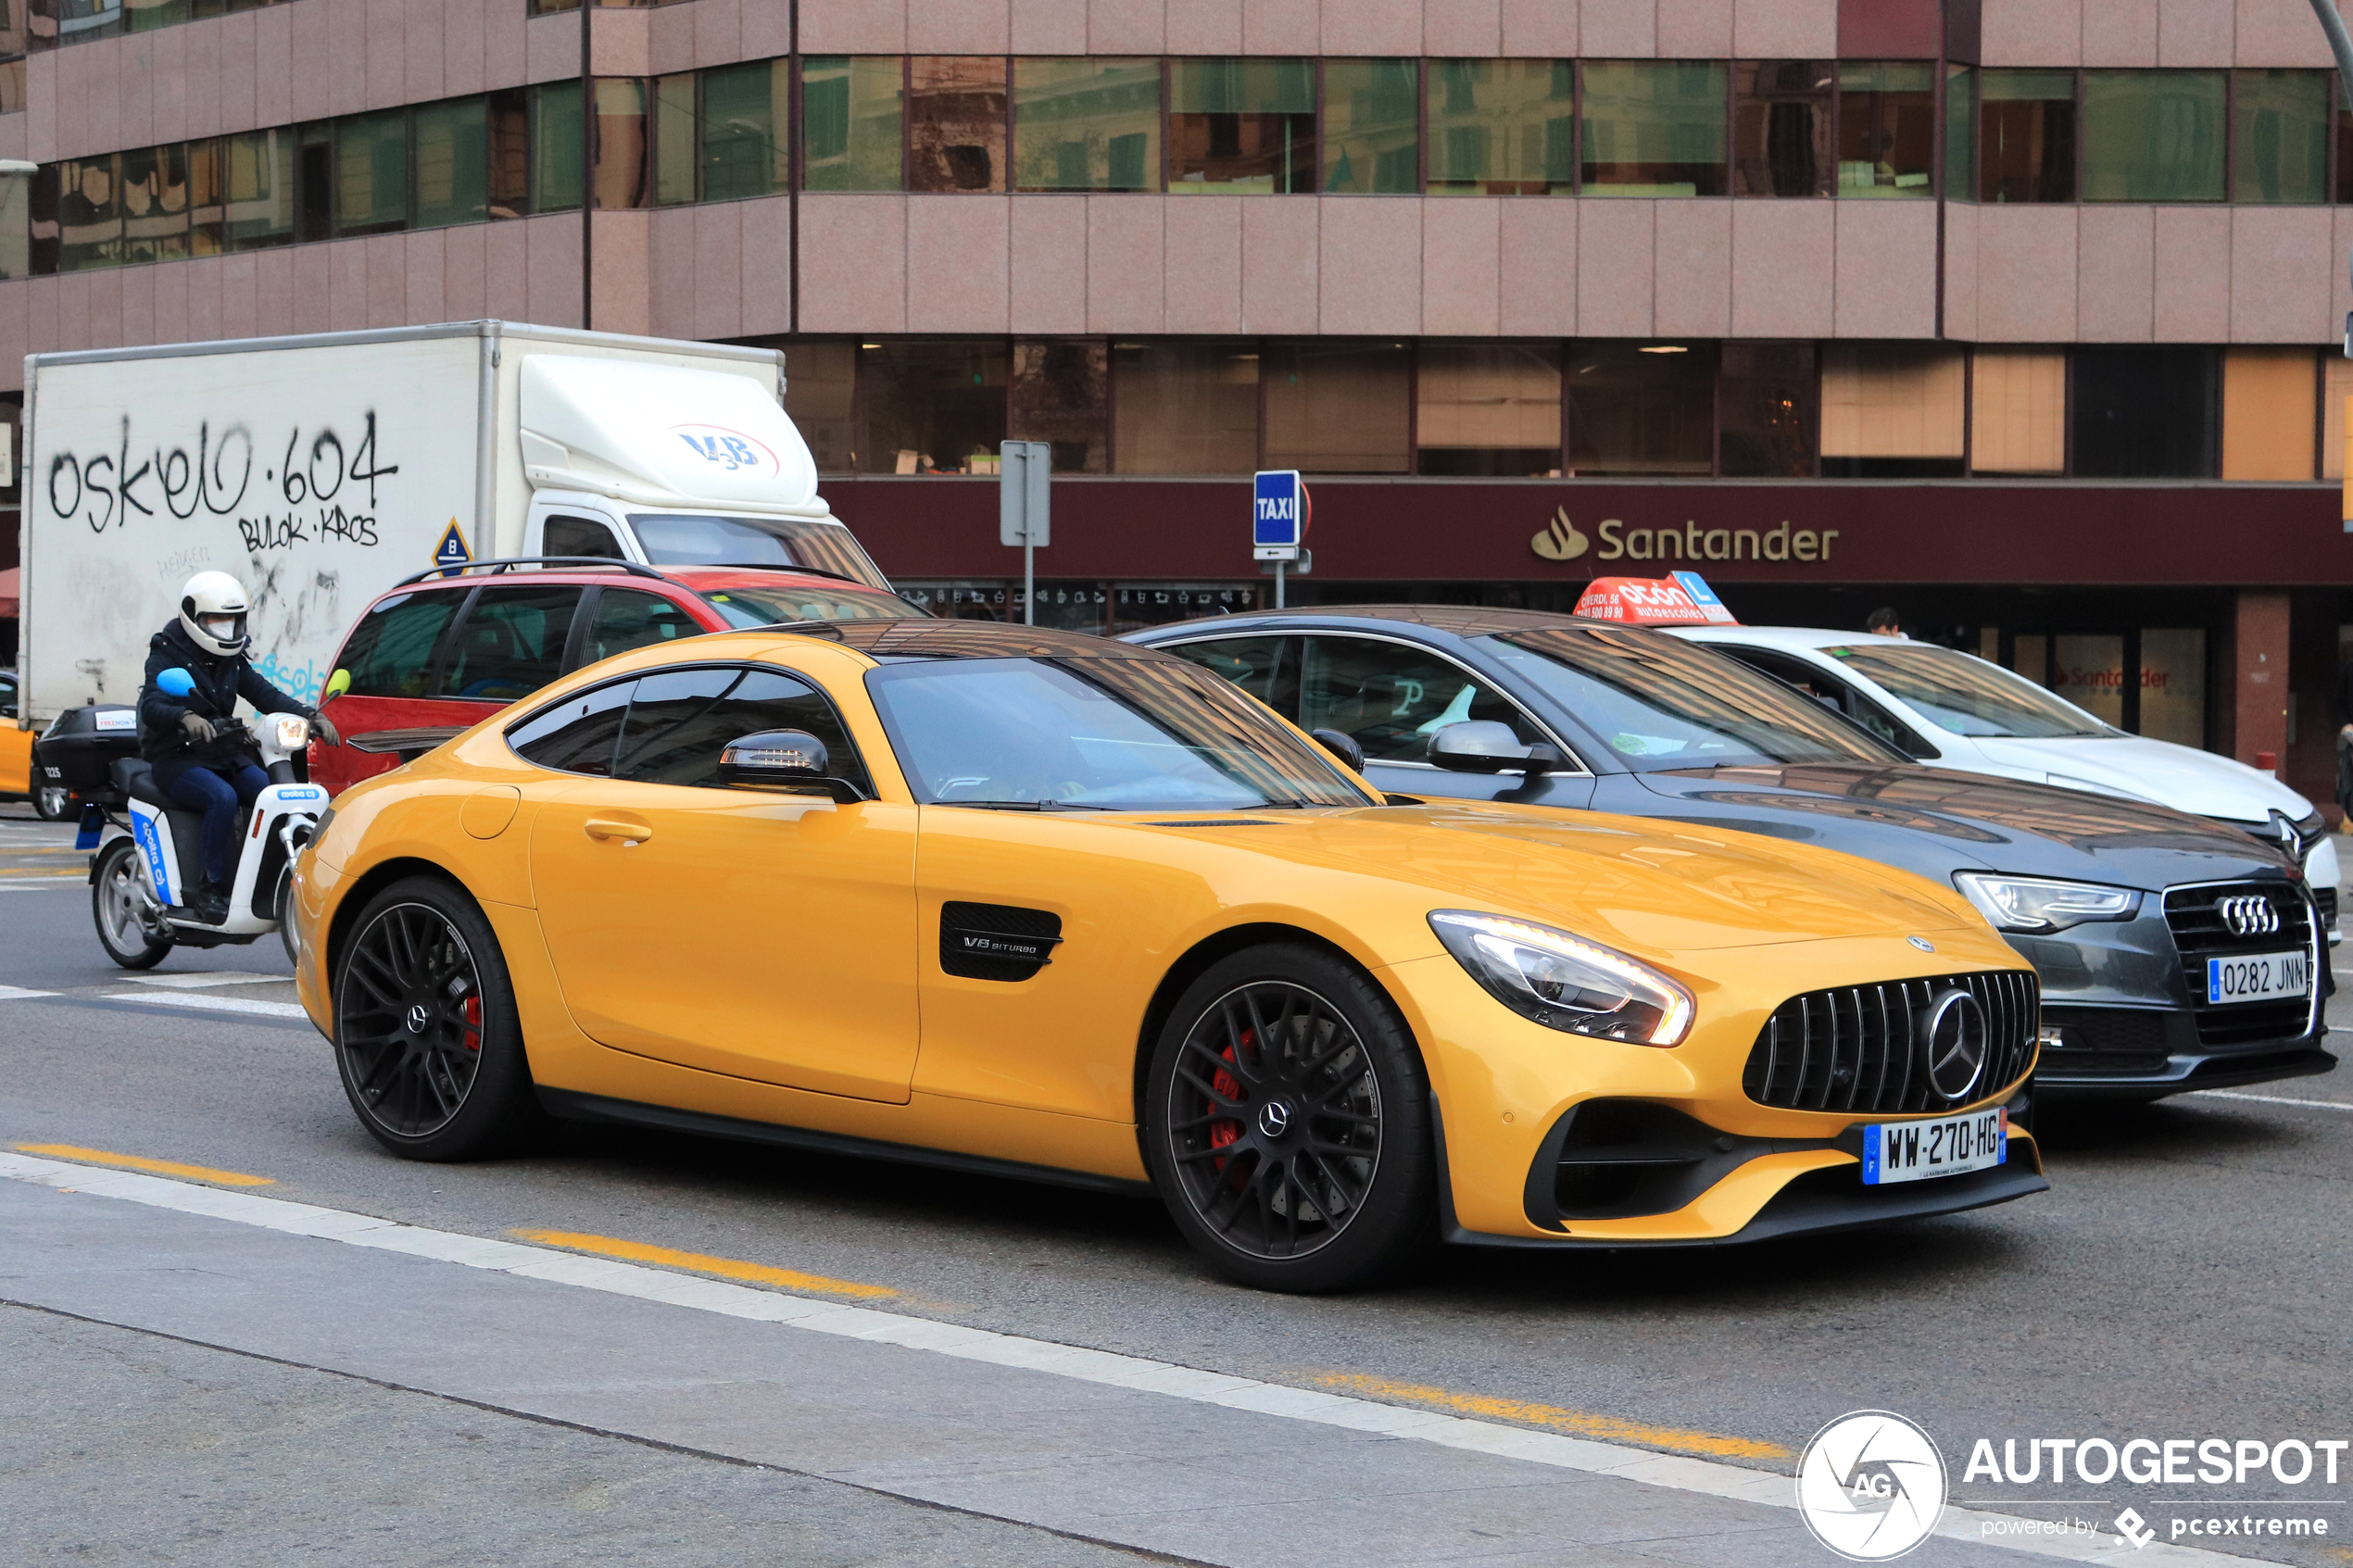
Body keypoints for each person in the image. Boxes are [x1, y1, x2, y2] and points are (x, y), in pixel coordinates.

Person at [138, 571, 339, 922]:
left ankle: (262, 879)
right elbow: (151, 704)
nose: (226, 628)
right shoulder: (167, 653)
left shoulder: (230, 659)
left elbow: (266, 694)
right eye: (217, 620)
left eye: (233, 620)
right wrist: (185, 717)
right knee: (222, 798)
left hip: (222, 754)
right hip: (177, 758)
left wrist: (311, 716)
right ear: (194, 617)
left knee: (272, 795)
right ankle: (211, 887)